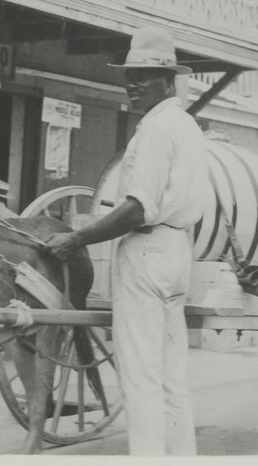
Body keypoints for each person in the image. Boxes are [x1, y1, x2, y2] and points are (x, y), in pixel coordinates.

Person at [44, 27, 209, 455]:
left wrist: (76, 238)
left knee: (141, 379)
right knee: (173, 380)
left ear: (168, 80)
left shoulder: (155, 130)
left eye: (143, 76)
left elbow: (137, 208)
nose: (132, 84)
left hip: (148, 253)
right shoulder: (188, 126)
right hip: (176, 254)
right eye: (129, 75)